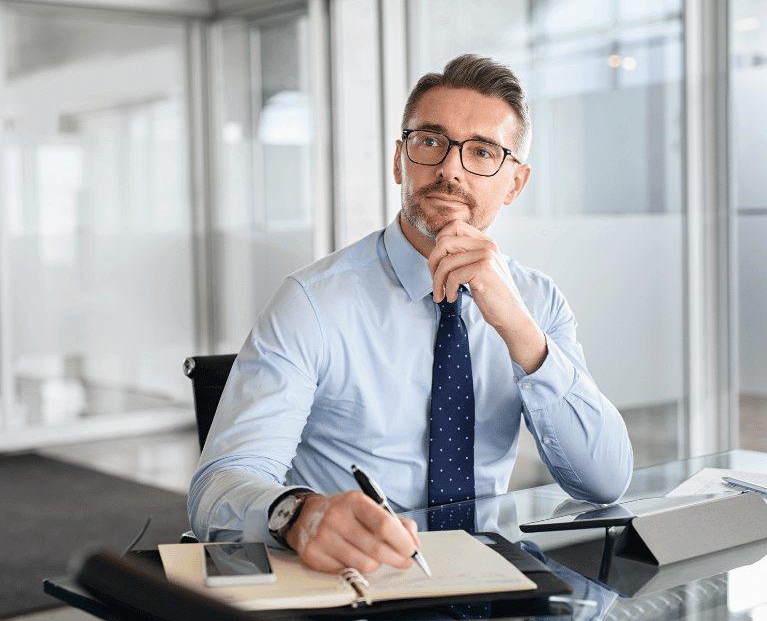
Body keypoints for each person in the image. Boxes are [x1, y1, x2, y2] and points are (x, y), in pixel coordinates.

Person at [188, 53, 633, 577]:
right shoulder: (312, 302)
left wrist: (517, 328)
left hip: (490, 580)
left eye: (483, 152)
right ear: (400, 160)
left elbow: (604, 481)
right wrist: (298, 514)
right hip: (359, 588)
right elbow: (218, 486)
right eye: (431, 142)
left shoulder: (536, 301)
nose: (449, 168)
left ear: (515, 183)